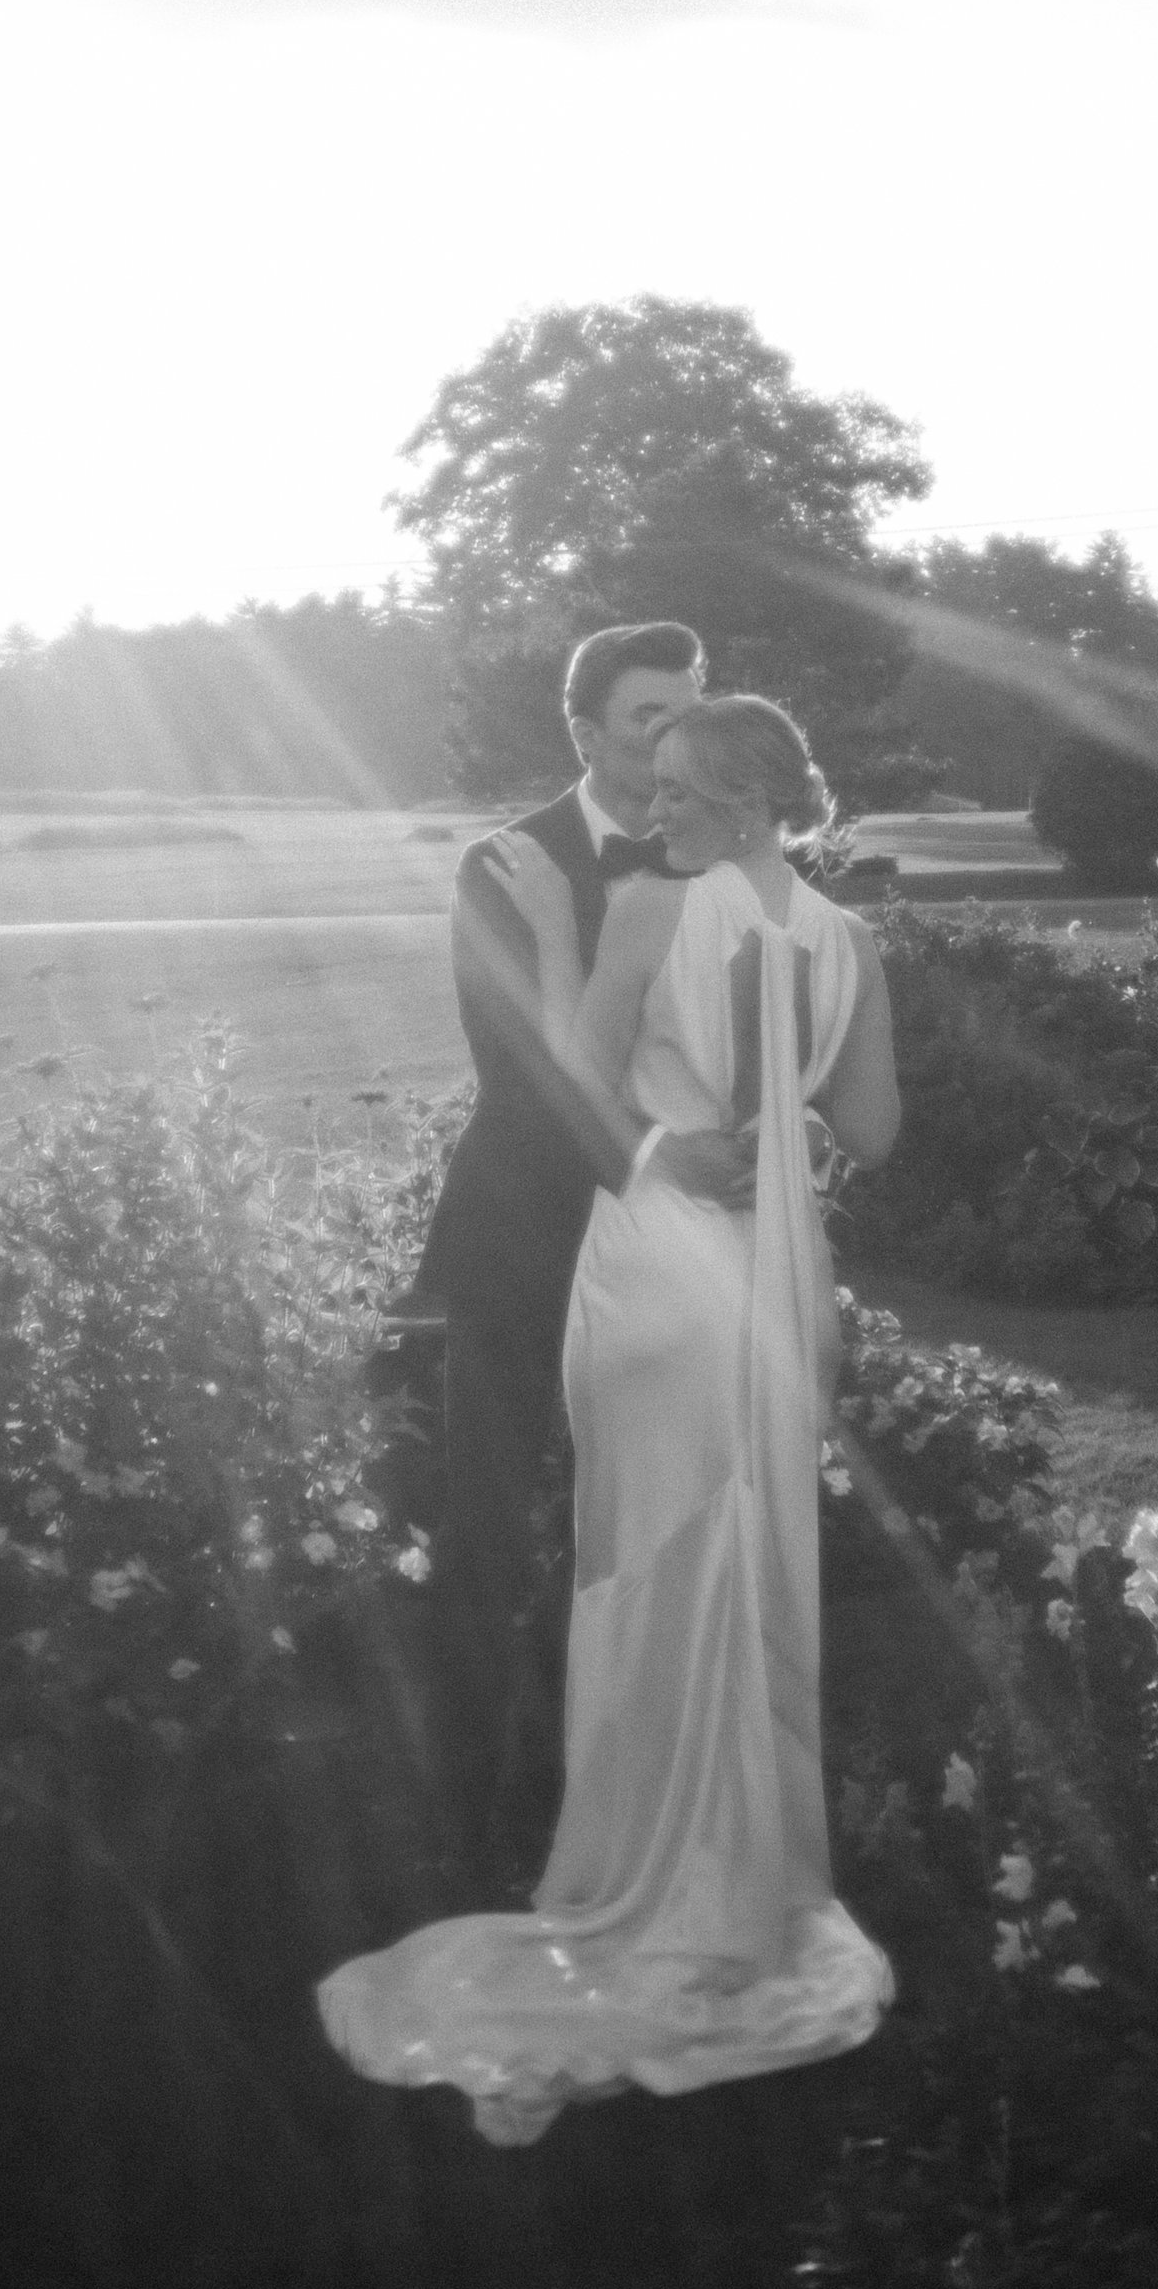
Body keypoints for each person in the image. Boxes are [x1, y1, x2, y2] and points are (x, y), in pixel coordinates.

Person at [318, 691, 903, 2145]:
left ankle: (648, 1878)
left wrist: (575, 944)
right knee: (748, 1560)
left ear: (755, 799)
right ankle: (746, 1885)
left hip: (655, 1274)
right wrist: (783, 1120)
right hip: (782, 1280)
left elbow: (573, 1075)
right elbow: (875, 1130)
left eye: (685, 795)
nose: (657, 818)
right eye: (655, 794)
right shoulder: (849, 937)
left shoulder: (651, 906)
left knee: (642, 1571)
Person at [409, 624, 759, 1890]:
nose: (671, 739)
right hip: (531, 1242)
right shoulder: (509, 866)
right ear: (582, 733)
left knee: (654, 1521)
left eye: (688, 712)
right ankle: (462, 1818)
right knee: (496, 1521)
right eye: (644, 718)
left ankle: (624, 1797)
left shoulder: (716, 850)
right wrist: (664, 1155)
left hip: (676, 1262)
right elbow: (522, 1075)